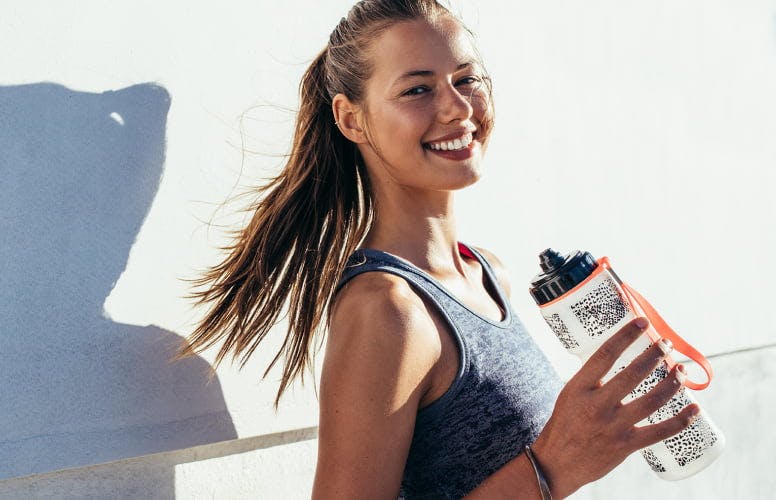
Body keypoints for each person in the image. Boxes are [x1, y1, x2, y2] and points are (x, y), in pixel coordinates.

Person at [177, 1, 700, 498]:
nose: (457, 107)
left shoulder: (486, 273)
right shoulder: (387, 309)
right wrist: (555, 464)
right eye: (417, 90)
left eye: (467, 80)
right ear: (351, 119)